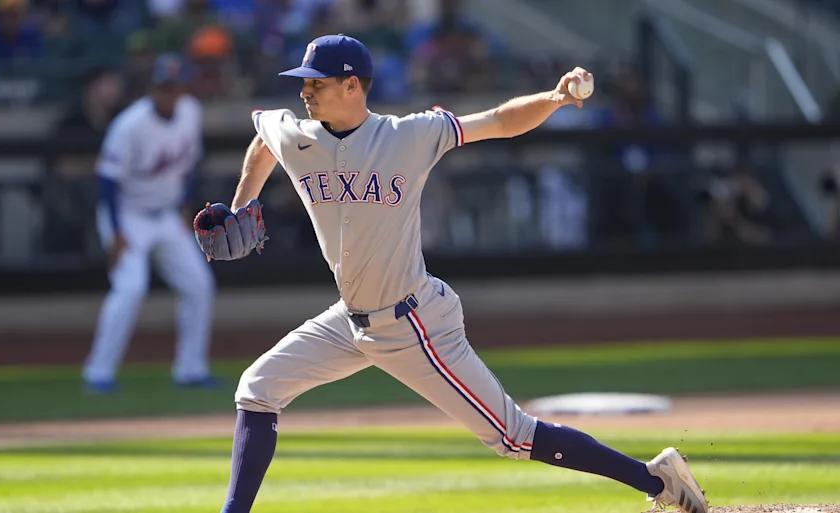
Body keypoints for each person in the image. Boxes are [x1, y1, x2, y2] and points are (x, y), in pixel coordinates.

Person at [197, 35, 708, 513]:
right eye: (304, 82)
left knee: (514, 436)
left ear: (352, 85)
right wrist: (242, 204)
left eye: (317, 82)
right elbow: (265, 136)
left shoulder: (409, 135)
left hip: (414, 322)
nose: (305, 91)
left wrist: (554, 98)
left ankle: (657, 480)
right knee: (257, 389)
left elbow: (498, 121)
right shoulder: (298, 136)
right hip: (349, 321)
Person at [83, 53, 216, 393]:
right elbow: (107, 181)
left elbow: (190, 165)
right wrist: (116, 232)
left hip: (166, 213)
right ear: (152, 88)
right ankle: (98, 373)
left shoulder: (190, 112)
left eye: (174, 87)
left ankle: (191, 369)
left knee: (199, 285)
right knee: (130, 288)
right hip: (128, 214)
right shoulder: (130, 124)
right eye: (163, 87)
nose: (168, 94)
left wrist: (185, 205)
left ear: (183, 88)